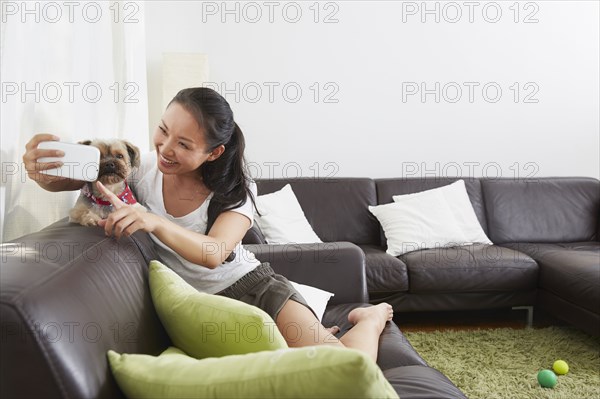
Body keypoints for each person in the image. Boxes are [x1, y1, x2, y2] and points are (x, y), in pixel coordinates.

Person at [22, 87, 393, 361]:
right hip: (200, 307)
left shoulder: (237, 189)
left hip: (256, 289)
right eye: (163, 131)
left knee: (348, 364)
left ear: (213, 152)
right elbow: (89, 179)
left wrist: (153, 221)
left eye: (184, 144)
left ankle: (370, 318)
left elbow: (214, 253)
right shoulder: (144, 167)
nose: (166, 149)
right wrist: (43, 171)